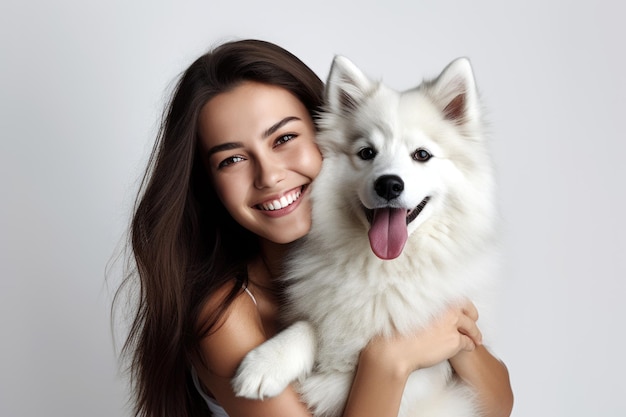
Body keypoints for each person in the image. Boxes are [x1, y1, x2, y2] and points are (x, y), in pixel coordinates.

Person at [115, 39, 513, 417]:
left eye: (284, 138)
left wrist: (456, 340)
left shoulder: (398, 272)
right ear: (208, 182)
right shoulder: (224, 317)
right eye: (232, 159)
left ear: (322, 133)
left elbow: (496, 405)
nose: (269, 176)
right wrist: (392, 356)